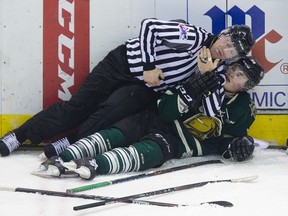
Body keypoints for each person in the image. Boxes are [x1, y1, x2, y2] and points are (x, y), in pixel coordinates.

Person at [0, 18, 255, 157]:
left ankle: (71, 141)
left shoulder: (218, 71)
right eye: (229, 40)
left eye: (234, 50)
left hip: (145, 89)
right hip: (122, 65)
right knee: (77, 107)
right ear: (223, 33)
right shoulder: (194, 36)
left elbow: (211, 112)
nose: (227, 48)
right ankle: (18, 137)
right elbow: (149, 27)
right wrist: (148, 65)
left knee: (107, 115)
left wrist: (202, 77)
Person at [32, 55, 265, 180]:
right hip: (155, 119)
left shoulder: (243, 108)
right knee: (115, 133)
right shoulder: (204, 77)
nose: (234, 74)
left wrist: (239, 146)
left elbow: (229, 139)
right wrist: (190, 91)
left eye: (242, 76)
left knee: (144, 153)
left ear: (248, 85)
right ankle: (64, 157)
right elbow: (164, 107)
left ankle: (95, 165)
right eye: (235, 69)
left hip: (176, 143)